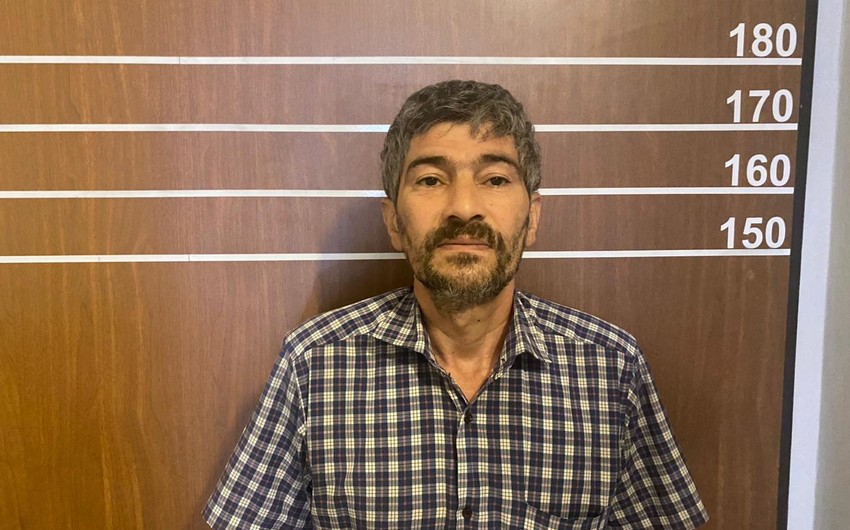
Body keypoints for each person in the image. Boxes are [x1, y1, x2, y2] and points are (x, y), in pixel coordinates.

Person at [204, 80, 708, 529]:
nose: (464, 207)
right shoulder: (314, 363)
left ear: (532, 217)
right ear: (393, 221)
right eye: (430, 180)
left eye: (495, 179)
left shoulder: (610, 368)